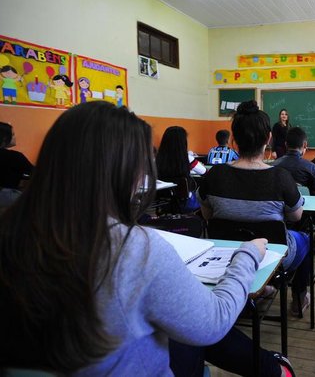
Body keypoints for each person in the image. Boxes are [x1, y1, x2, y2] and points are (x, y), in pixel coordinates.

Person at [0, 101, 294, 376]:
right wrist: (245, 256)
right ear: (122, 171)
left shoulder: (12, 229)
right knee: (191, 328)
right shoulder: (135, 249)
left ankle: (272, 368)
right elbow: (212, 323)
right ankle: (275, 369)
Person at [199, 100, 312, 315]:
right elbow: (296, 215)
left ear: (234, 139)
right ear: (268, 138)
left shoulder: (214, 175)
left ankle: (263, 289)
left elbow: (207, 214)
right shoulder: (280, 177)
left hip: (226, 256)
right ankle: (299, 298)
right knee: (304, 238)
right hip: (271, 256)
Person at [155, 126, 206, 213]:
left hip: (161, 204)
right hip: (185, 203)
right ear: (183, 142)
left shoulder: (156, 159)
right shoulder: (187, 158)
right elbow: (204, 172)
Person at [0, 122, 33, 211]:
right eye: (13, 134)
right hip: (6, 196)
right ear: (4, 138)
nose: (15, 137)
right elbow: (34, 173)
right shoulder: (15, 157)